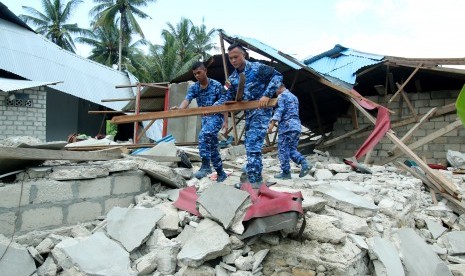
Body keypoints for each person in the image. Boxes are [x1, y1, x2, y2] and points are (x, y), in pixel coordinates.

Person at [218, 43, 283, 188]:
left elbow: (278, 76)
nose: (233, 60)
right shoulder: (232, 78)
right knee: (250, 145)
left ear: (244, 55)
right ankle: (255, 177)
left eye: (236, 57)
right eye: (230, 58)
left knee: (253, 144)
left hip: (261, 112)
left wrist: (267, 94)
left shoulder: (258, 68)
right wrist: (210, 107)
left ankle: (254, 181)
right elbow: (224, 95)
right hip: (249, 114)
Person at [171, 61, 228, 182]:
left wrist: (225, 121)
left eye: (199, 73)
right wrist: (180, 109)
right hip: (205, 119)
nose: (197, 76)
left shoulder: (216, 85)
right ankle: (220, 173)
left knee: (203, 136)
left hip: (216, 117)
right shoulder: (195, 87)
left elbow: (224, 102)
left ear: (205, 71)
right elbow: (188, 99)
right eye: (195, 74)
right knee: (212, 145)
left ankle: (206, 166)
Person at [267, 84, 310, 179]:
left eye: (275, 90)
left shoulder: (282, 96)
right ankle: (305, 164)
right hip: (296, 126)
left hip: (287, 127)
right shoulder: (294, 97)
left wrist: (271, 125)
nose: (275, 93)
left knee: (282, 150)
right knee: (291, 150)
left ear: (279, 88)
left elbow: (279, 111)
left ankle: (286, 172)